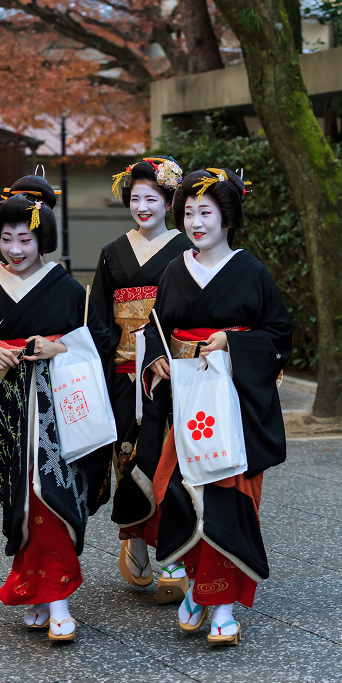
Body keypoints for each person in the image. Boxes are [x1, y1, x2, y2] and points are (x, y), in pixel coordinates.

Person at [0, 174, 111, 643]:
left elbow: (99, 341)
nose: (16, 249)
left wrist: (58, 347)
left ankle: (58, 598)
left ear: (44, 238)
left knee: (52, 496)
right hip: (5, 411)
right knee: (21, 500)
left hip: (55, 411)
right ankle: (34, 589)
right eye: (6, 239)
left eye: (26, 238)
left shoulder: (65, 287)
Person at [141, 168, 292, 645]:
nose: (195, 222)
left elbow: (278, 336)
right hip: (187, 403)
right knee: (186, 494)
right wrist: (158, 361)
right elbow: (155, 329)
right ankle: (193, 589)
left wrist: (231, 341)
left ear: (228, 218)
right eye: (188, 213)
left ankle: (221, 604)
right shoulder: (173, 271)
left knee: (228, 499)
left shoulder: (251, 271)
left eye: (206, 212)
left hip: (234, 407)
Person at [91, 157, 192, 603]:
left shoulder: (186, 248)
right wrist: (104, 356)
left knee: (169, 460)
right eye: (135, 199)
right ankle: (132, 538)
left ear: (169, 201)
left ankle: (173, 547)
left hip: (168, 369)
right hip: (122, 368)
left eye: (152, 198)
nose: (142, 207)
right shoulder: (113, 252)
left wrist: (175, 357)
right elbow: (98, 318)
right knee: (126, 456)